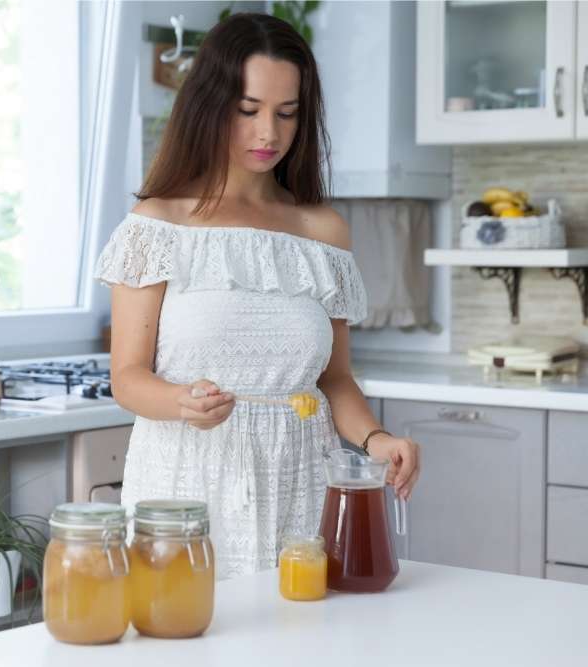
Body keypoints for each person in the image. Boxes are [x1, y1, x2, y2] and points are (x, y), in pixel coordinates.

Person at [94, 12, 420, 579]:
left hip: (300, 483)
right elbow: (127, 376)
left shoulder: (323, 232)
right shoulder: (157, 224)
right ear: (210, 106)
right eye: (247, 111)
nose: (268, 133)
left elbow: (335, 379)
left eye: (286, 113)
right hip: (186, 486)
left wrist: (376, 438)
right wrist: (181, 403)